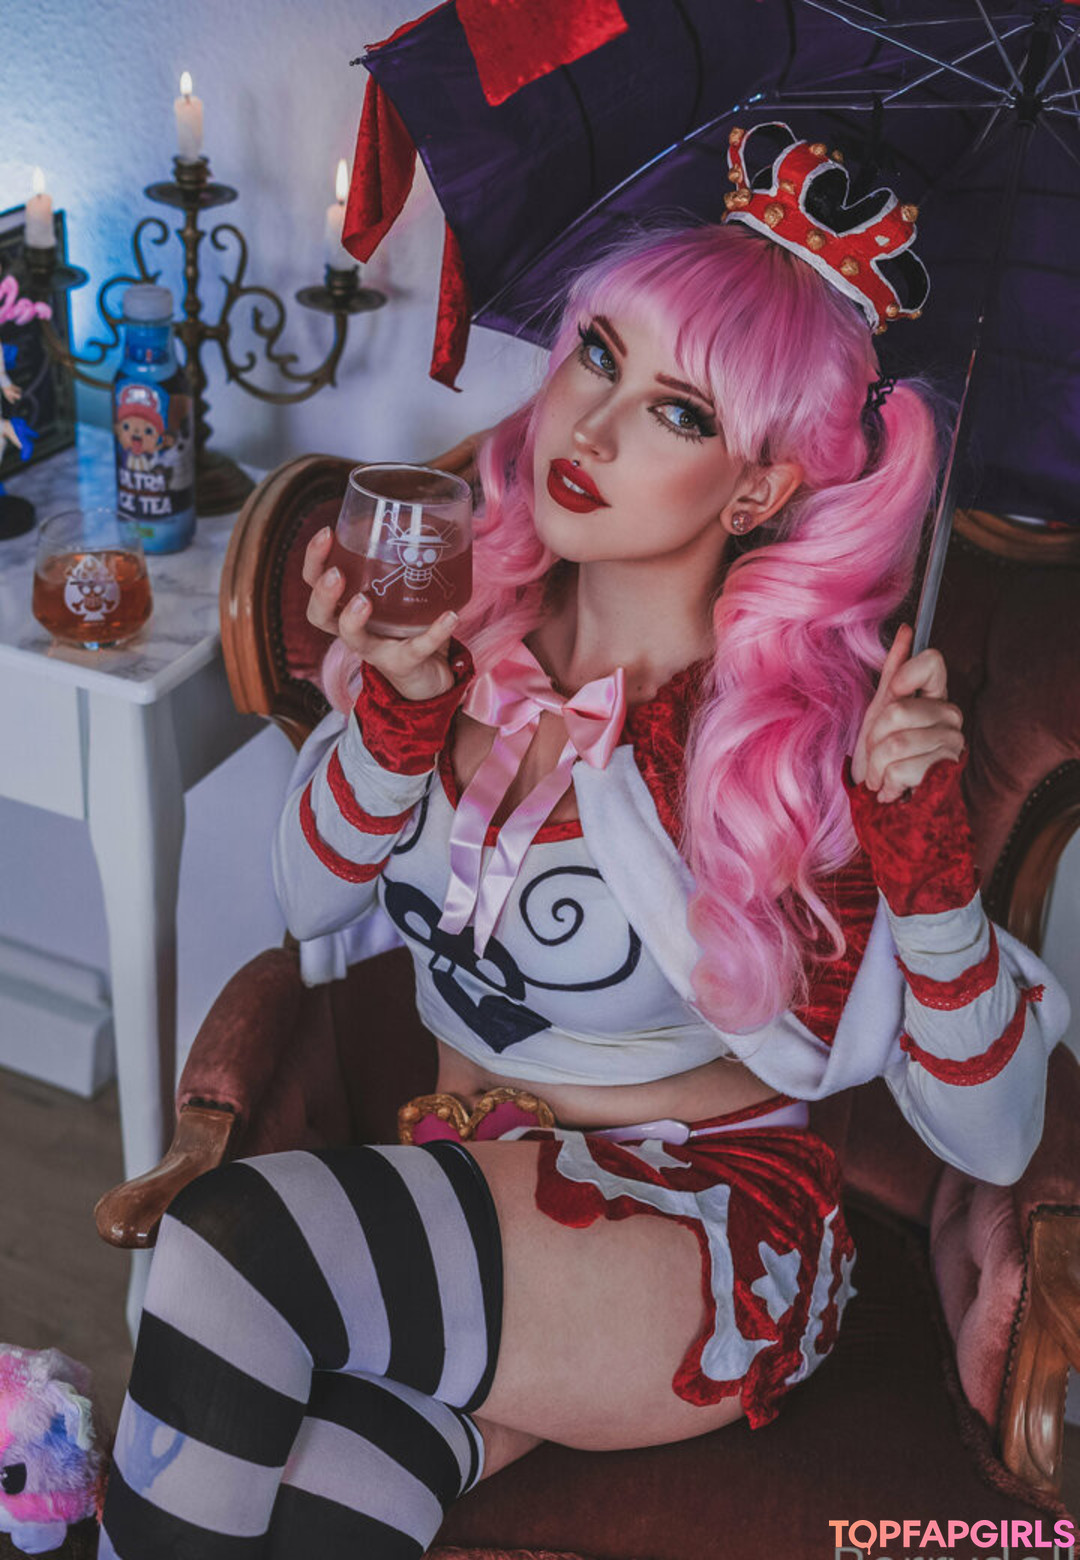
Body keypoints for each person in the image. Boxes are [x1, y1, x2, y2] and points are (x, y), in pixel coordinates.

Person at [98, 127, 1068, 1558]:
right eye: (599, 356)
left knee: (233, 1242)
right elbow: (307, 903)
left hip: (692, 1236)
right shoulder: (460, 625)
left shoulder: (795, 751)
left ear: (758, 491)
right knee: (314, 1505)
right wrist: (397, 719)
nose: (592, 428)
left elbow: (996, 1135)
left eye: (678, 412)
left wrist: (923, 864)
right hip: (467, 1184)